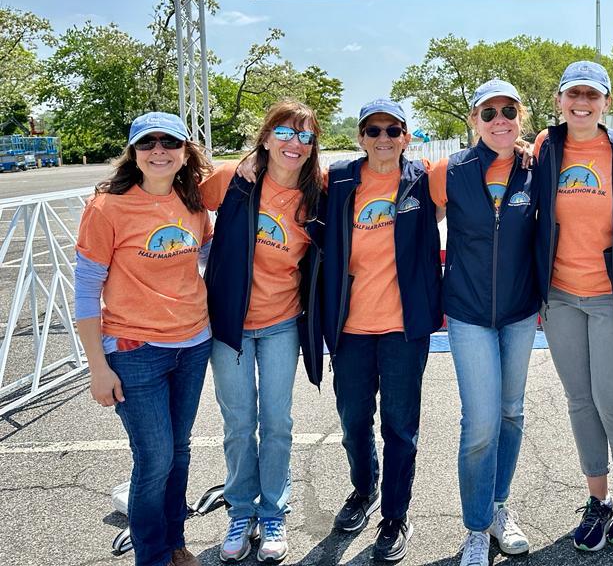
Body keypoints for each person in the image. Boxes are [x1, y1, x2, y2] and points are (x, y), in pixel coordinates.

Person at [74, 112, 214, 566]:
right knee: (153, 458)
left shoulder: (193, 203)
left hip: (193, 343)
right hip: (134, 351)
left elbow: (213, 254)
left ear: (184, 151)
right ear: (133, 153)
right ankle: (151, 556)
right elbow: (86, 290)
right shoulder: (107, 207)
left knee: (179, 449)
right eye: (147, 143)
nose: (159, 151)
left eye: (169, 142)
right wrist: (97, 366)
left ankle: (174, 543)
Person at [533, 60, 613, 552]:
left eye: (592, 95)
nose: (581, 104)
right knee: (579, 400)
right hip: (561, 295)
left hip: (611, 297)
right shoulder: (547, 148)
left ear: (607, 102)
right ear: (560, 100)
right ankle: (597, 498)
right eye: (572, 95)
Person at [201, 101, 324, 564]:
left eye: (306, 137)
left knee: (277, 424)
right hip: (229, 326)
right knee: (237, 424)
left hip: (280, 324)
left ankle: (273, 511)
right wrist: (113, 192)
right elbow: (172, 192)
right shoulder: (235, 177)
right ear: (267, 137)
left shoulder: (318, 192)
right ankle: (241, 510)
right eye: (286, 134)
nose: (296, 144)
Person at [322, 98, 442, 562]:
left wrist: (530, 147)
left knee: (400, 428)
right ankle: (363, 488)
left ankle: (395, 515)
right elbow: (283, 175)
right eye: (373, 131)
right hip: (350, 328)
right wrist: (251, 160)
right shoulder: (338, 180)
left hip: (402, 328)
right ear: (360, 138)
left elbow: (484, 161)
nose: (384, 139)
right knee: (354, 423)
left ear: (407, 137)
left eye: (394, 130)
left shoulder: (423, 179)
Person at [426, 79, 539, 566]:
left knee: (512, 413)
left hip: (518, 312)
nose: (500, 120)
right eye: (488, 112)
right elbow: (410, 236)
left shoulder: (539, 167)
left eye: (508, 111)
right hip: (469, 314)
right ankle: (475, 527)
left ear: (521, 117)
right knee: (480, 423)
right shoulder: (447, 171)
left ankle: (496, 509)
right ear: (473, 119)